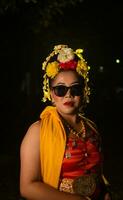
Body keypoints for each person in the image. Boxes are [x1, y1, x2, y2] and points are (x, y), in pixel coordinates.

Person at [20, 44, 112, 200]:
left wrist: (105, 191)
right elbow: (28, 187)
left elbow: (97, 172)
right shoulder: (38, 130)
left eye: (75, 89)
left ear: (84, 92)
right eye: (61, 90)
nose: (68, 95)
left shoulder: (91, 128)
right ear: (51, 94)